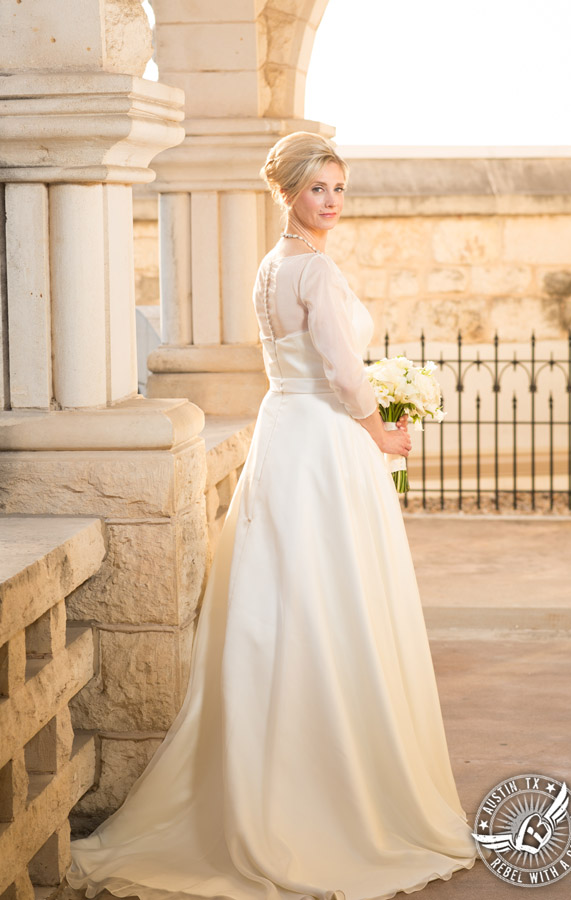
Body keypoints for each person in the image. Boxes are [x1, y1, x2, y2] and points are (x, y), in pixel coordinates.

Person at [66, 132, 477, 900]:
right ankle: (335, 796)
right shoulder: (313, 268)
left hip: (283, 435)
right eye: (318, 188)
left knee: (284, 603)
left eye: (340, 188)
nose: (332, 202)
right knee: (334, 602)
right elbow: (343, 372)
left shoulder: (271, 268)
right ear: (286, 191)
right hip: (323, 443)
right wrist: (383, 428)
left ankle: (271, 778)